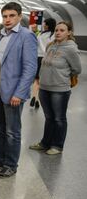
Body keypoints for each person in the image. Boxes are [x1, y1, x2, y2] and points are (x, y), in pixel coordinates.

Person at [0, 2, 37, 178]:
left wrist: (20, 93)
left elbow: (30, 68)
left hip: (13, 92)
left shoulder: (26, 36)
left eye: (12, 16)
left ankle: (10, 164)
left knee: (12, 130)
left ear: (20, 16)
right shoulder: (1, 36)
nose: (8, 19)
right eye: (5, 16)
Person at [29, 21, 82, 155]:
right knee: (49, 117)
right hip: (45, 87)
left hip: (59, 89)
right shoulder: (50, 46)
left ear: (69, 33)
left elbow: (77, 69)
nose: (58, 32)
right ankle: (45, 143)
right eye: (57, 30)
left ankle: (57, 146)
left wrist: (61, 78)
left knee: (59, 118)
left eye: (62, 30)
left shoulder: (71, 48)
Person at [30, 18, 56, 108]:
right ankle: (38, 101)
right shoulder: (53, 35)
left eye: (44, 24)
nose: (43, 25)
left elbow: (35, 42)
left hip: (38, 57)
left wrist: (35, 31)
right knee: (42, 81)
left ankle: (34, 97)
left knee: (36, 80)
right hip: (48, 58)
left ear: (47, 25)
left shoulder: (40, 34)